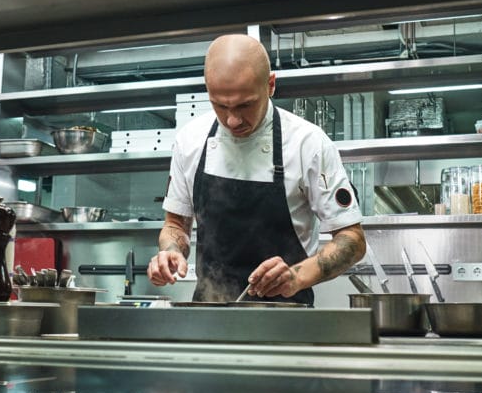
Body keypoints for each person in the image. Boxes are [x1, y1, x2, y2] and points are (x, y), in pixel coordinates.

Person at [147, 34, 366, 304]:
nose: (232, 119)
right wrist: (170, 250)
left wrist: (297, 275)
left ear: (270, 85)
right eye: (220, 105)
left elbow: (352, 240)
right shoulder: (190, 140)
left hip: (285, 317)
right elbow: (175, 224)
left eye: (245, 104)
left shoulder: (308, 143)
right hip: (208, 313)